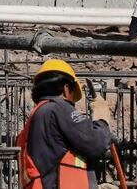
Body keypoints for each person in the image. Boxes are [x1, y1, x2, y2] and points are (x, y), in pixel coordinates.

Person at [17, 59, 112, 189]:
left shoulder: (35, 117)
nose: (72, 104)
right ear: (66, 89)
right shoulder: (58, 108)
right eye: (73, 96)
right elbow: (95, 142)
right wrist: (102, 119)